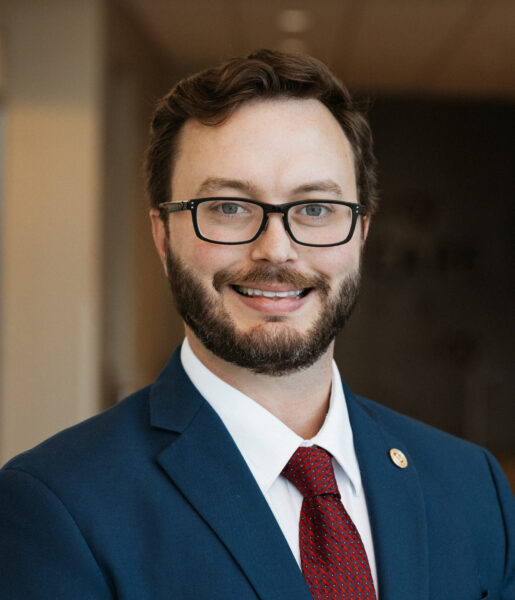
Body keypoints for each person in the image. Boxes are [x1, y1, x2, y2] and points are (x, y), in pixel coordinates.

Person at [0, 49, 513, 600]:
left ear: (361, 233)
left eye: (316, 208)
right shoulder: (58, 506)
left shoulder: (473, 487)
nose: (277, 250)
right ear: (162, 235)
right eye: (227, 206)